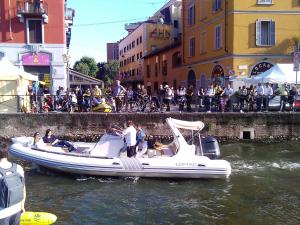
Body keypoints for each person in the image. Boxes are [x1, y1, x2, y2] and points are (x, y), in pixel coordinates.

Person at [0, 141, 26, 225]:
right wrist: (22, 206)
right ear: (7, 153)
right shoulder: (18, 168)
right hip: (16, 210)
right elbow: (23, 189)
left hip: (2, 214)